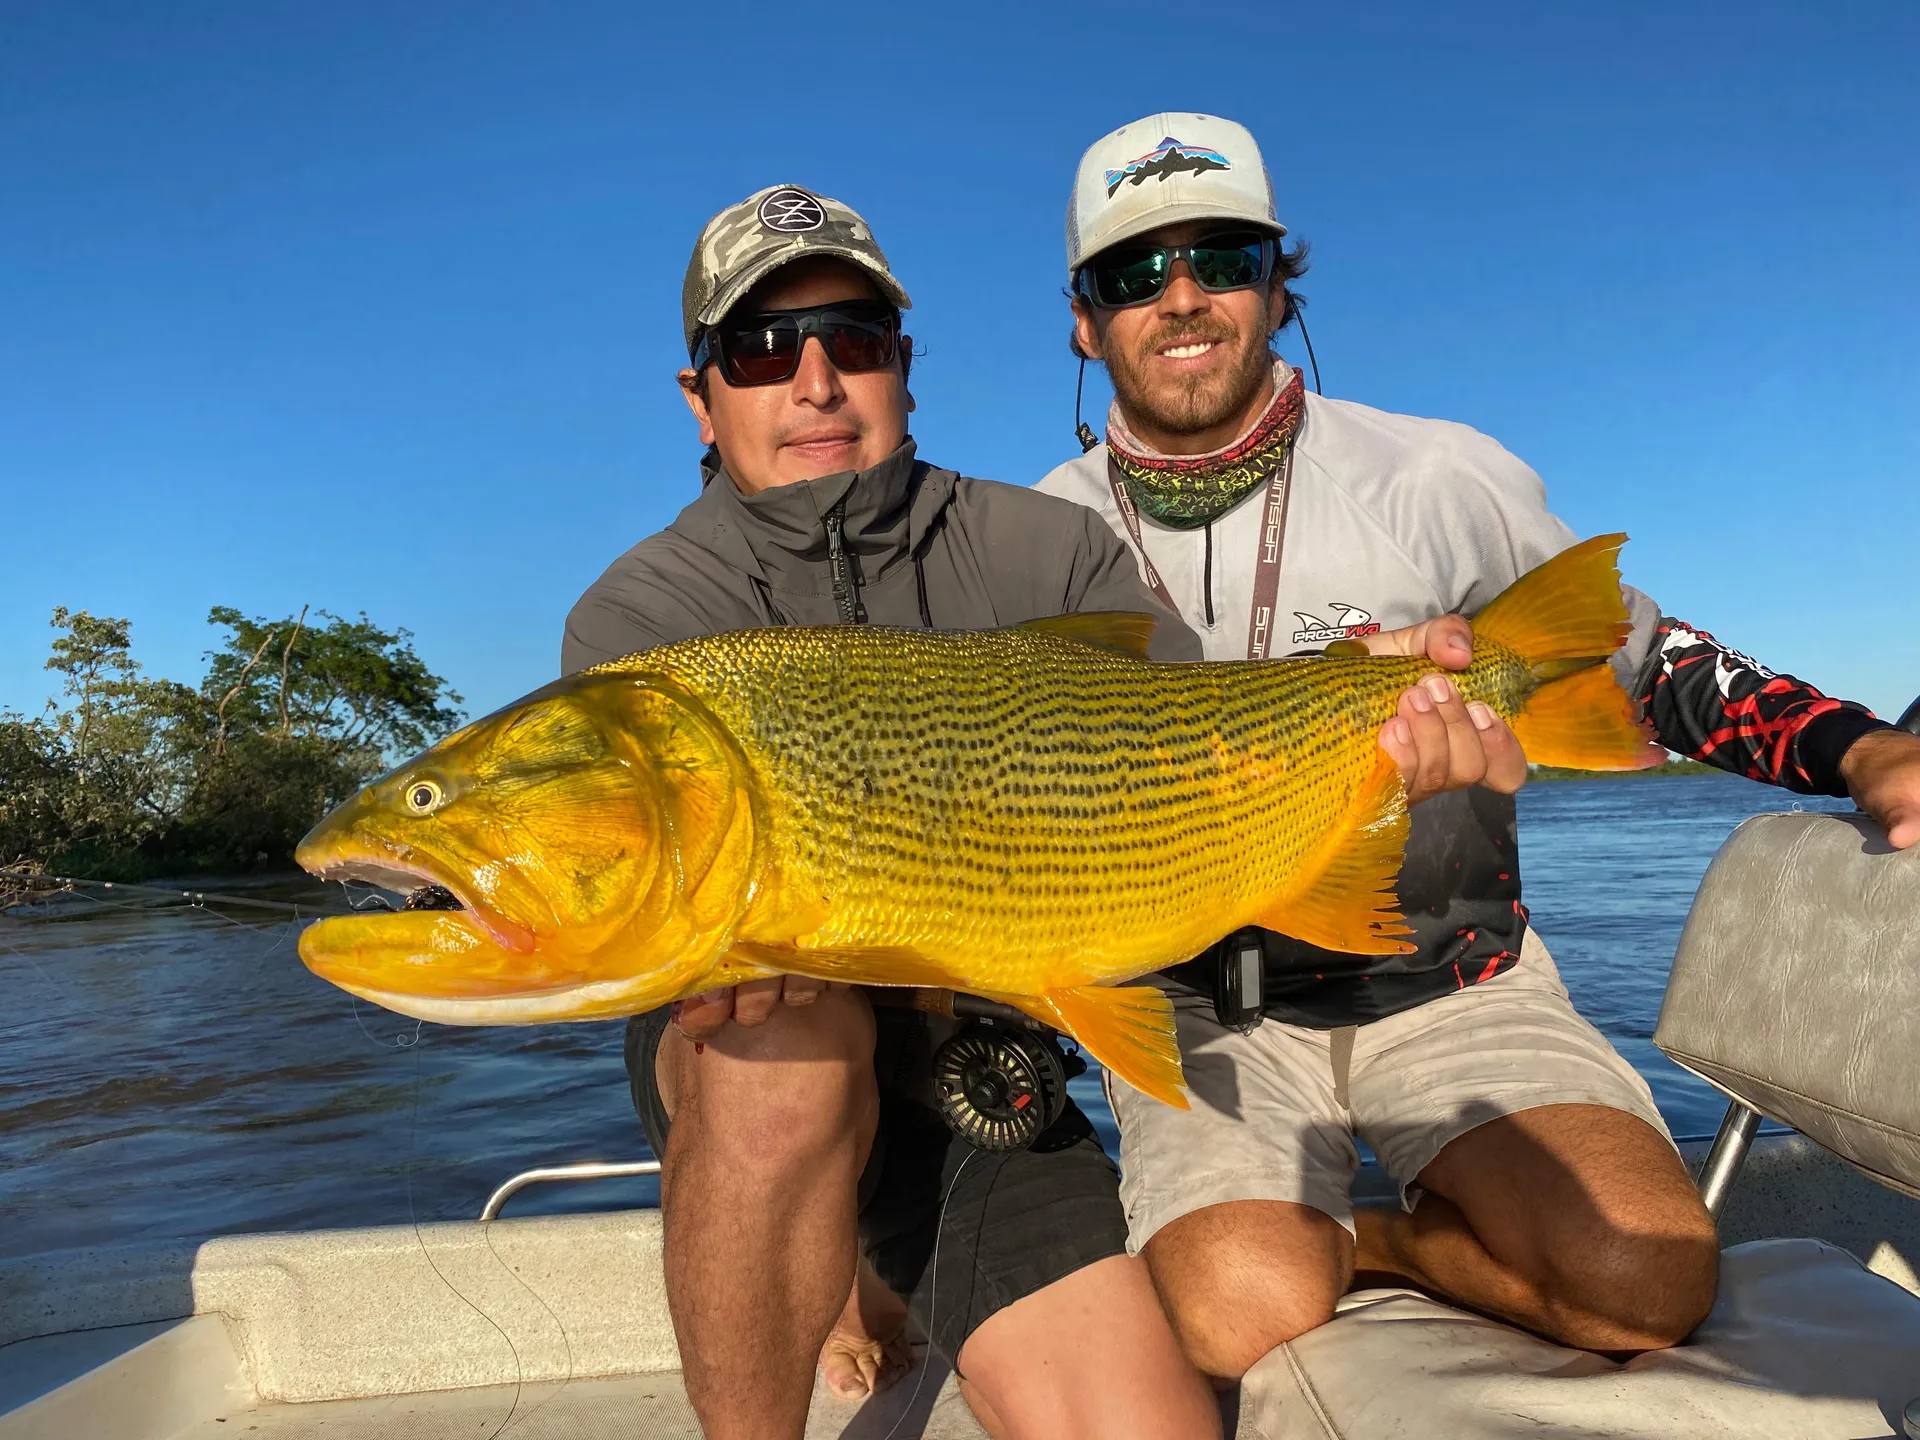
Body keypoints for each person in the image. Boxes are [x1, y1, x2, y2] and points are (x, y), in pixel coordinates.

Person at [1037, 112, 1920, 1379]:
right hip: (1210, 1008)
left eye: (1222, 259)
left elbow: (1646, 664)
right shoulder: (1028, 541)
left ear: (1282, 284)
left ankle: (1377, 1242)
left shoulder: (1439, 477)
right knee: (1235, 1313)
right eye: (1134, 272)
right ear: (1084, 317)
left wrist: (1860, 752)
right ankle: (1302, 1239)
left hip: (1449, 975)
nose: (1182, 299)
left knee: (1643, 1280)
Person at [561, 183, 1226, 1440]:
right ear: (701, 397)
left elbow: (1183, 764)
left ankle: (876, 1271)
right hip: (749, 1049)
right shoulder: (639, 619)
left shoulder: (1049, 550)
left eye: (852, 338)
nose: (814, 381)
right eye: (759, 349)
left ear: (902, 369)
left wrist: (1381, 740)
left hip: (980, 1046)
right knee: (783, 1049)